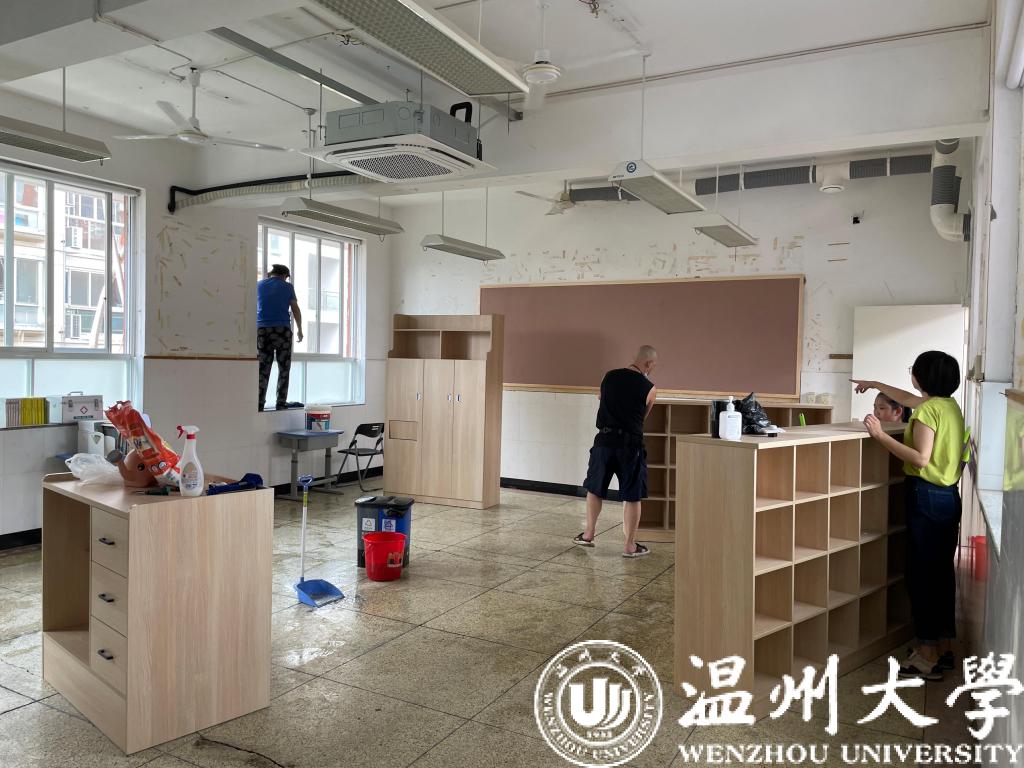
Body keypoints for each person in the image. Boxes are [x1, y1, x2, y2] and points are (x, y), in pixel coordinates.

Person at [853, 350, 966, 681]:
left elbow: (920, 458)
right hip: (948, 497)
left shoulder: (928, 410)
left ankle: (927, 656)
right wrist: (875, 383)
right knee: (940, 574)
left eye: (913, 370)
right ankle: (943, 647)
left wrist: (880, 435)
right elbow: (907, 398)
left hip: (926, 496)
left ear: (922, 376)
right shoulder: (948, 406)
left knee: (922, 577)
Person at [574, 346, 658, 557]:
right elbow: (642, 417)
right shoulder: (650, 388)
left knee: (595, 489)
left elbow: (600, 398)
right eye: (653, 365)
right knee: (632, 495)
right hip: (630, 446)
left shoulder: (608, 376)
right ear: (648, 363)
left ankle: (588, 534)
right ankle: (630, 546)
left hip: (604, 440)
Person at [257, 264, 303, 412]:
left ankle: (259, 403)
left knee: (263, 369)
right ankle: (280, 403)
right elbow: (295, 309)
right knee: (284, 368)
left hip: (262, 330)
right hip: (281, 331)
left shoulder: (258, 285)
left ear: (271, 274)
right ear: (285, 275)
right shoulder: (287, 287)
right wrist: (299, 329)